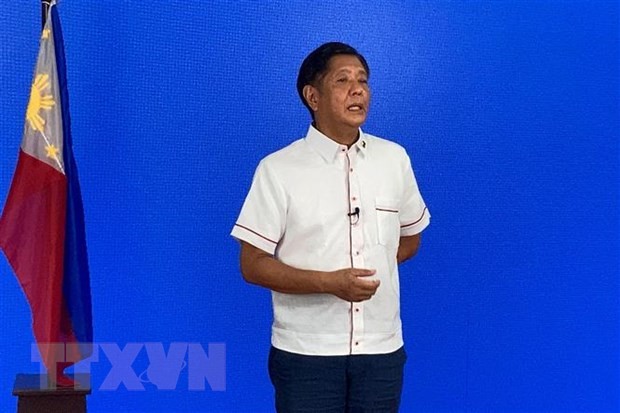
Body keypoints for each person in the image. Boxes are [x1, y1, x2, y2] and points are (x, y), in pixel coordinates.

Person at [231, 42, 430, 412]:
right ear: (313, 96)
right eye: (343, 80)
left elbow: (410, 238)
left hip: (381, 351)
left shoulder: (394, 159)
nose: (358, 90)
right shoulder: (278, 169)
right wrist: (330, 283)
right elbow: (253, 263)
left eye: (363, 81)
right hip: (307, 354)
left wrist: (373, 263)